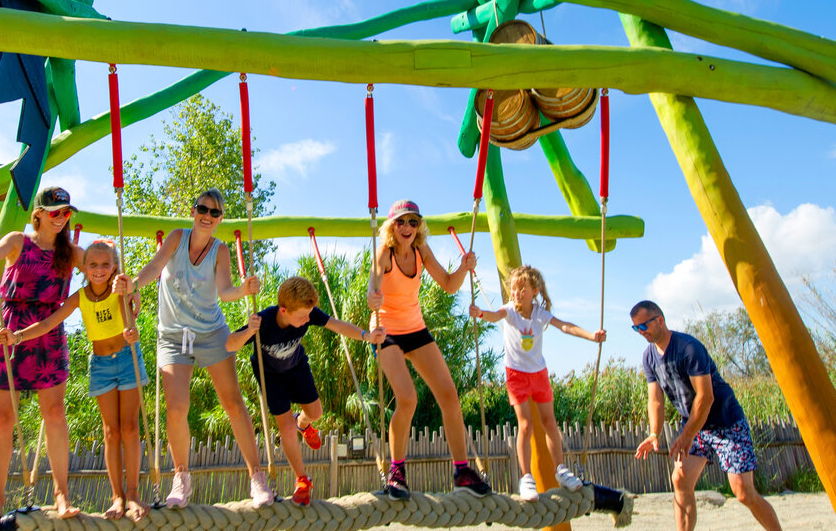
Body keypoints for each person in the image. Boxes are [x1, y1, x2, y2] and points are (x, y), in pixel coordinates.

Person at [122, 188, 272, 508]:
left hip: (210, 331)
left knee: (232, 402)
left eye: (214, 213)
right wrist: (133, 283)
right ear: (193, 211)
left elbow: (225, 291)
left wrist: (245, 290)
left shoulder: (220, 251)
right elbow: (153, 267)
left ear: (220, 220)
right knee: (176, 407)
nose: (207, 216)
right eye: (202, 209)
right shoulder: (177, 238)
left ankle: (256, 476)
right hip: (174, 336)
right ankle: (181, 477)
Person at [631, 300, 799, 531]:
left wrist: (686, 435)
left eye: (644, 325)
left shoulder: (689, 347)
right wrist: (654, 433)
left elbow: (705, 398)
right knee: (680, 480)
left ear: (659, 320)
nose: (641, 331)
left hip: (725, 423)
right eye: (635, 328)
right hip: (697, 427)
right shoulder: (649, 357)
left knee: (743, 492)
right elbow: (655, 399)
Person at [0, 239, 151, 521]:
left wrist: (133, 309)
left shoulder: (120, 289)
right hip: (102, 364)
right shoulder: (79, 297)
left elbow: (133, 306)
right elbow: (48, 323)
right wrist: (17, 336)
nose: (99, 270)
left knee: (129, 428)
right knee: (110, 432)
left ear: (114, 266)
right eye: (93, 264)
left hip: (128, 359)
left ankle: (133, 494)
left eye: (106, 264)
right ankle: (117, 497)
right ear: (84, 268)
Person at [0, 186, 85, 531]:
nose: (62, 218)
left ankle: (62, 495)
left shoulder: (71, 252)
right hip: (10, 328)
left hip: (48, 331)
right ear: (38, 214)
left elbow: (104, 271)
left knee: (54, 413)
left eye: (67, 213)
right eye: (56, 212)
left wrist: (117, 269)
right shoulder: (18, 241)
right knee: (1, 419)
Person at [366, 199, 491, 499]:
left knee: (449, 394)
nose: (407, 227)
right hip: (387, 331)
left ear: (419, 226)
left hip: (415, 329)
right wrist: (373, 297)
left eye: (413, 222)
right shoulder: (384, 253)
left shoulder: (422, 252)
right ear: (391, 226)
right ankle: (396, 471)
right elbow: (373, 284)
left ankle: (461, 470)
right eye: (401, 222)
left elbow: (449, 285)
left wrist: (463, 268)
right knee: (407, 398)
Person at [226, 275, 386, 505]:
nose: (306, 320)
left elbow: (337, 325)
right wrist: (249, 332)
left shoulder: (308, 313)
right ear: (283, 310)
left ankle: (303, 424)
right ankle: (301, 479)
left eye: (308, 315)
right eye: (301, 317)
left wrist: (366, 336)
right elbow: (230, 344)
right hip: (270, 377)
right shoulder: (264, 321)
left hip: (296, 367)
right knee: (285, 428)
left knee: (316, 413)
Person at [469, 265, 606, 500]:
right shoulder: (510, 311)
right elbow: (495, 316)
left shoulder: (540, 314)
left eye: (522, 289)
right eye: (513, 289)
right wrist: (480, 313)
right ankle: (526, 477)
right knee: (525, 425)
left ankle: (560, 469)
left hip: (539, 373)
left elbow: (565, 326)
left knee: (549, 422)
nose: (516, 293)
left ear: (535, 290)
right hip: (516, 375)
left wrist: (591, 336)